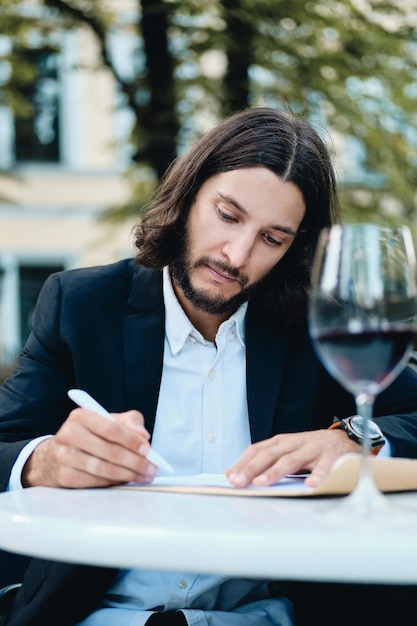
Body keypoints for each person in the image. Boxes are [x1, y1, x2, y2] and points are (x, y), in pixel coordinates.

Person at [1, 106, 417, 626]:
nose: (237, 255)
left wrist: (354, 437)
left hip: (264, 617)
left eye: (272, 238)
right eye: (228, 214)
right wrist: (47, 461)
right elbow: (5, 445)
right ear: (189, 194)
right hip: (102, 615)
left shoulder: (315, 328)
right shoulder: (81, 305)